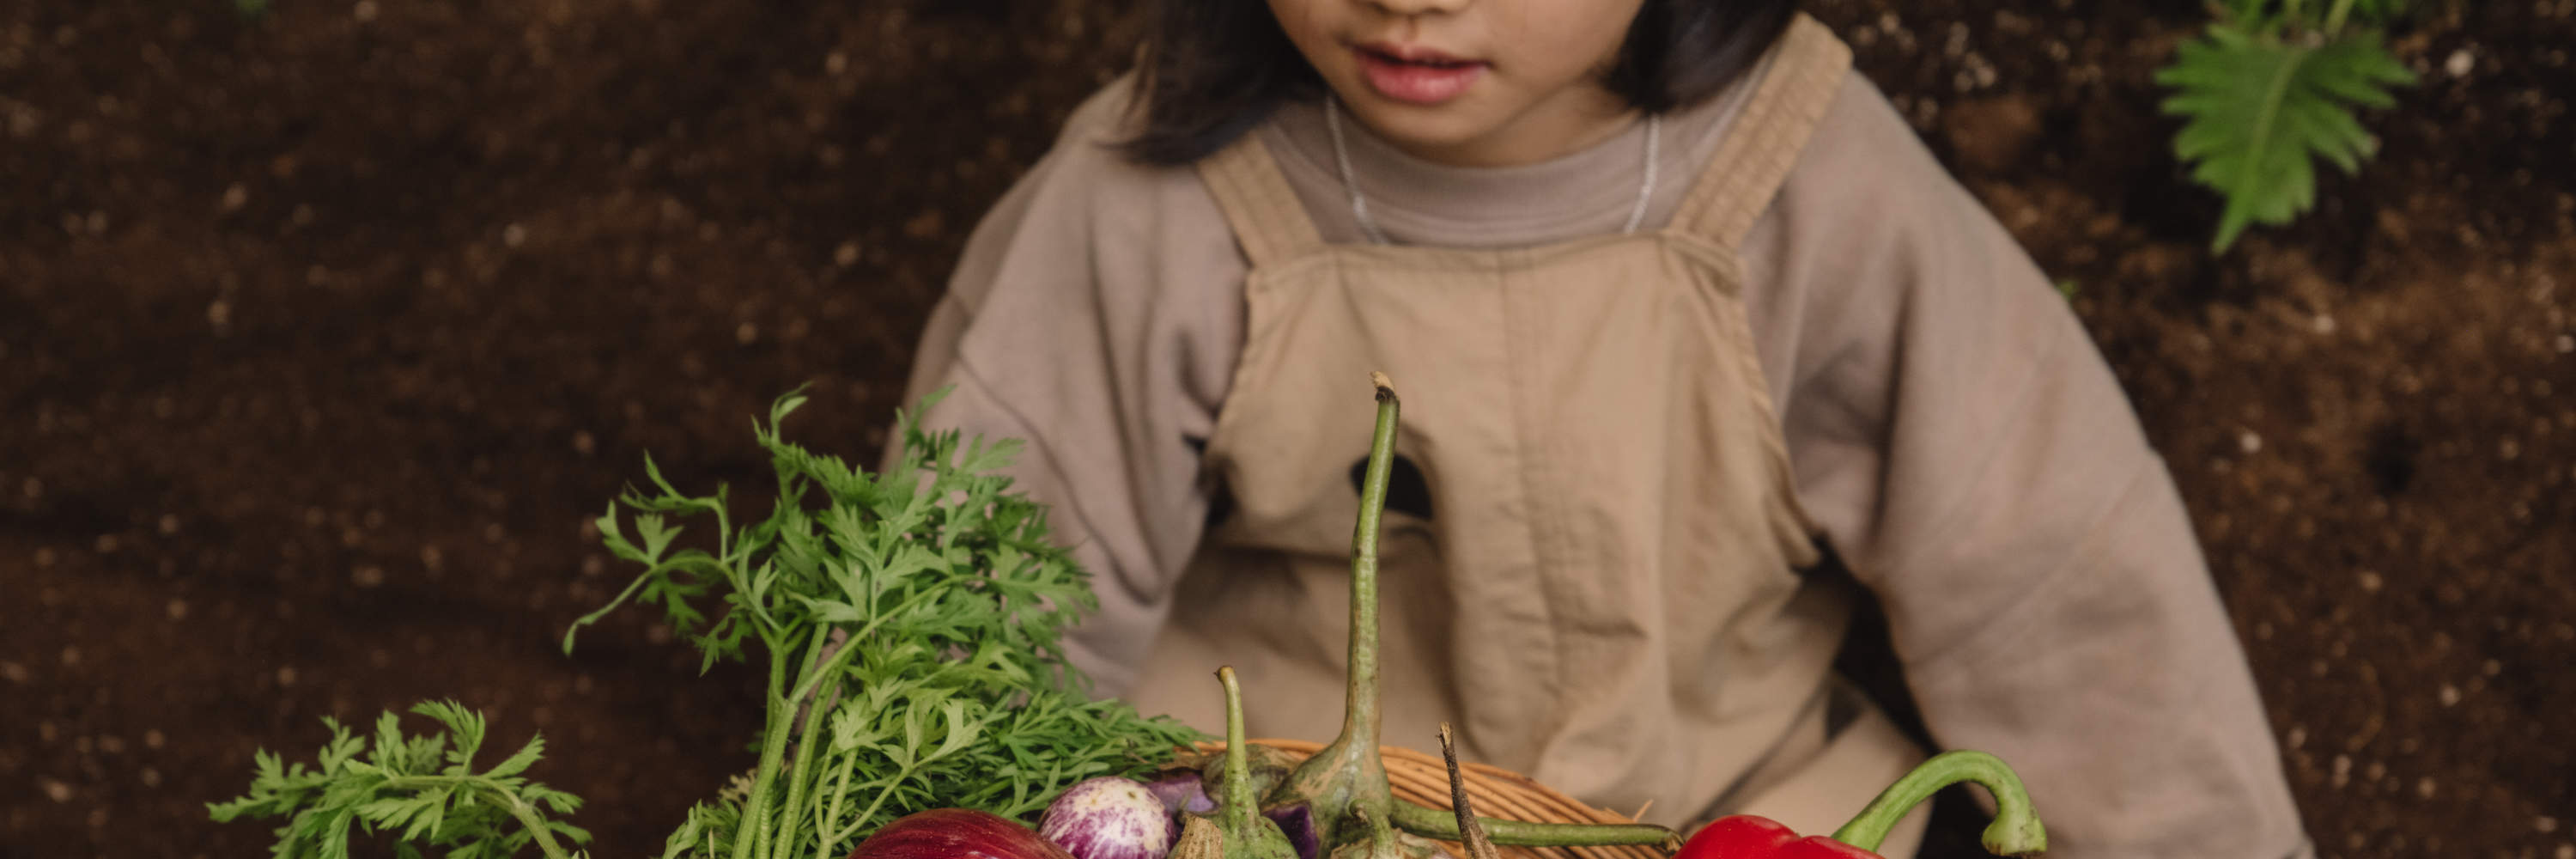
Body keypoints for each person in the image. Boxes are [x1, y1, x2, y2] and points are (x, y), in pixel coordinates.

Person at [889, 0, 2311, 856]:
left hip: (1730, 816)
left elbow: (2057, 589)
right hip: (1280, 814)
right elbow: (968, 624)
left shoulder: (1808, 181)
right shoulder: (1146, 200)